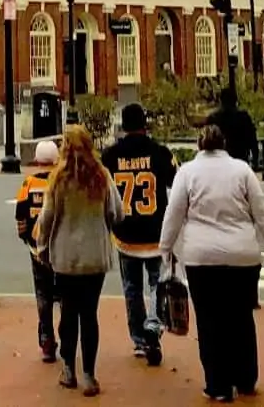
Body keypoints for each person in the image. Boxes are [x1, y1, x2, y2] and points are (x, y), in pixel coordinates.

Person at [159, 125, 264, 403]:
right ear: (224, 143)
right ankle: (246, 378)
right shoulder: (242, 171)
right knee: (241, 318)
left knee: (209, 320)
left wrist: (165, 249)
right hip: (242, 255)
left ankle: (218, 385)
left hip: (202, 258)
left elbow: (174, 214)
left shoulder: (187, 172)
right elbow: (261, 212)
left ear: (199, 145)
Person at [37, 125, 123, 396]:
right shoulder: (102, 176)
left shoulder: (58, 179)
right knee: (90, 315)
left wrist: (42, 248)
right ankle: (89, 374)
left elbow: (47, 218)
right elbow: (117, 213)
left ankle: (68, 370)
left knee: (68, 314)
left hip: (65, 257)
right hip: (94, 257)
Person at [101, 103, 175, 367]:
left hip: (126, 234)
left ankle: (139, 339)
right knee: (158, 284)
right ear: (145, 124)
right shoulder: (160, 153)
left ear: (123, 125)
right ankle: (153, 326)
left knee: (131, 288)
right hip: (155, 232)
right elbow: (175, 186)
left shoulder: (110, 156)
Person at [12, 140, 61, 363]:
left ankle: (46, 339)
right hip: (60, 249)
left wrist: (26, 239)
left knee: (43, 296)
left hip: (36, 249)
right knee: (64, 296)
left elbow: (20, 216)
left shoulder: (28, 184)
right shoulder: (61, 182)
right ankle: (65, 335)